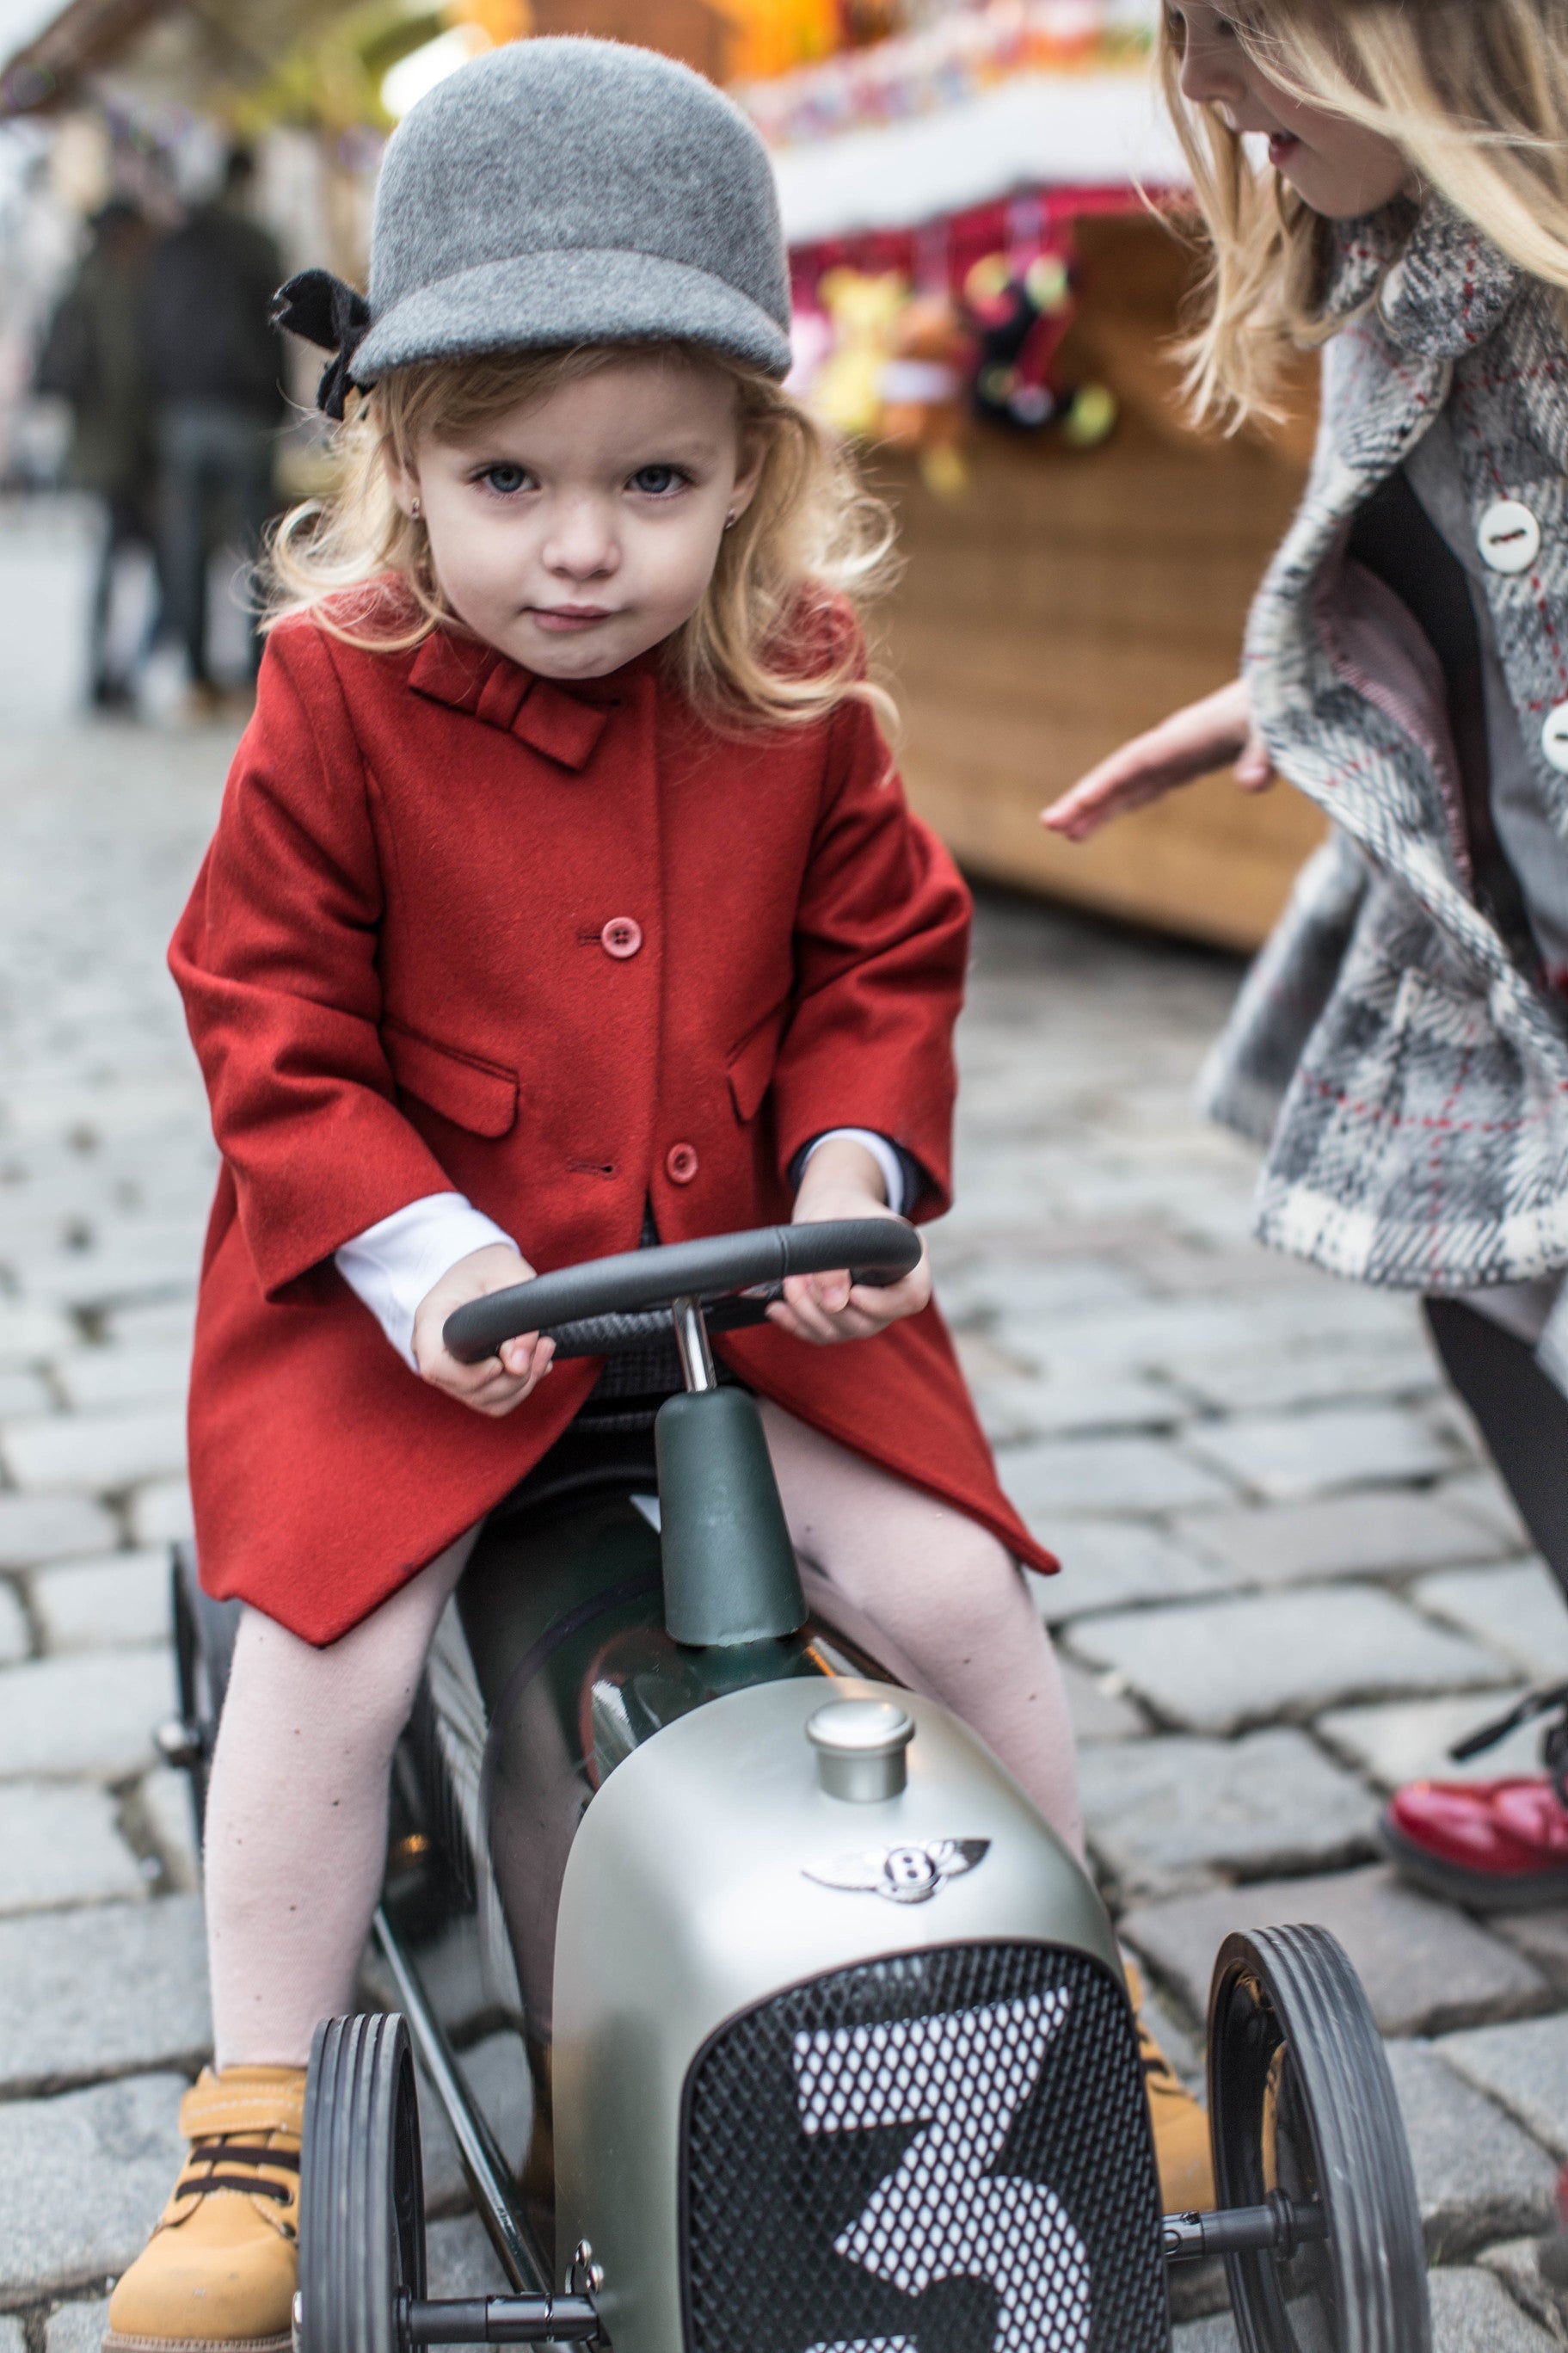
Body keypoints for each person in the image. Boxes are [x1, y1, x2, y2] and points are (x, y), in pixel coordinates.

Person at [102, 42, 1208, 2353]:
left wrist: (847, 1158)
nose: (580, 547)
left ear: (754, 473)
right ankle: (256, 2113)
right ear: (394, 461)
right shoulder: (336, 689)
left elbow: (879, 948)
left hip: (742, 1291)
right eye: (505, 478)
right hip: (426, 1313)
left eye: (653, 479)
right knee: (323, 1658)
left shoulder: (791, 679)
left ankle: (1084, 1999)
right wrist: (427, 1255)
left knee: (949, 1591)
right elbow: (265, 1007)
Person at [1043, 3, 1568, 1916]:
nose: (1195, 83)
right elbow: (1483, 577)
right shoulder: (1396, 268)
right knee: (1465, 1260)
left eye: (1236, 26)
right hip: (1502, 932)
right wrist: (1300, 680)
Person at [145, 149, 284, 714]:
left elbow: (151, 326)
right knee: (257, 547)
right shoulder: (257, 240)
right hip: (245, 411)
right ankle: (257, 670)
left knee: (188, 547)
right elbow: (278, 325)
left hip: (183, 411)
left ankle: (197, 673)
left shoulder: (176, 244)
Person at [35, 198, 159, 711]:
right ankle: (111, 670)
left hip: (106, 447)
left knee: (122, 562)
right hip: (119, 450)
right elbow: (128, 373)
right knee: (127, 560)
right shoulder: (113, 288)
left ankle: (113, 668)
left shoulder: (85, 283)